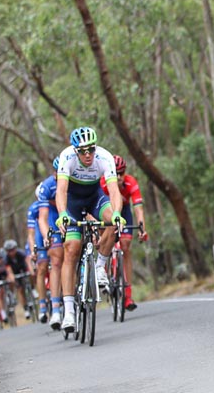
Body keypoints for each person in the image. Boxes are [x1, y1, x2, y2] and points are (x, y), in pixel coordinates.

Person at [55, 126, 125, 333]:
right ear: (76, 150)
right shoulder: (66, 156)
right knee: (71, 249)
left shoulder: (104, 157)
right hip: (73, 204)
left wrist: (116, 213)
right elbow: (61, 191)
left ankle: (100, 266)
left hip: (95, 198)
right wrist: (62, 214)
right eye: (83, 151)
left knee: (113, 222)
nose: (88, 155)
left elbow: (113, 191)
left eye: (91, 150)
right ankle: (68, 311)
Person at [100, 154, 148, 311]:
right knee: (106, 239)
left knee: (126, 246)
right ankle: (104, 272)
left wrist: (142, 228)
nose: (119, 177)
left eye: (122, 173)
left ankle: (128, 295)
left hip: (124, 212)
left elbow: (138, 208)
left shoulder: (131, 182)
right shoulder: (102, 183)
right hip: (106, 211)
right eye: (116, 173)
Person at [37, 156, 65, 329]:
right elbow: (43, 218)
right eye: (56, 171)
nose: (58, 174)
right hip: (54, 217)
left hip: (70, 212)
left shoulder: (74, 180)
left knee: (73, 252)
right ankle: (55, 309)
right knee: (55, 260)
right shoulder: (47, 186)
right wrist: (47, 234)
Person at [26, 198, 50, 323]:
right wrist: (32, 250)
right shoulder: (34, 208)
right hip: (40, 236)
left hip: (53, 230)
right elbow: (31, 234)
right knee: (41, 268)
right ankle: (42, 305)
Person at [3, 239, 35, 320]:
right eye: (9, 251)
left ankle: (33, 288)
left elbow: (27, 261)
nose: (11, 252)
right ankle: (25, 308)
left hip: (23, 268)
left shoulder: (21, 253)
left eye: (13, 250)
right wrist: (11, 276)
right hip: (15, 272)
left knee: (31, 274)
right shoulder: (6, 259)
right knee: (20, 290)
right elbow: (8, 269)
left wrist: (31, 270)